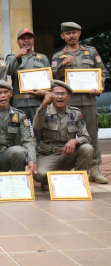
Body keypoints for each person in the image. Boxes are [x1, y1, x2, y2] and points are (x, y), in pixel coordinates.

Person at [52, 22, 108, 183]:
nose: (71, 35)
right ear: (62, 36)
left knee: (91, 133)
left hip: (89, 100)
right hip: (68, 101)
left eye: (74, 32)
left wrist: (99, 86)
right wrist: (62, 65)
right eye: (67, 33)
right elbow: (52, 77)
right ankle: (66, 167)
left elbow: (101, 71)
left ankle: (94, 168)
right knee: (65, 133)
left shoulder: (91, 52)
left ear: (79, 33)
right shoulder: (58, 56)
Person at [33, 80, 93, 190]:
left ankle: (79, 180)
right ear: (51, 95)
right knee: (40, 174)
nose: (60, 97)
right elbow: (36, 126)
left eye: (63, 94)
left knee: (87, 148)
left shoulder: (75, 113)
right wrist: (44, 104)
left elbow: (86, 137)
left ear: (69, 96)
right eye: (56, 93)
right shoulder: (44, 110)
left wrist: (74, 141)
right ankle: (50, 179)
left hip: (68, 154)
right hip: (48, 154)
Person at [6, 28, 50, 131]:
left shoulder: (42, 58)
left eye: (29, 38)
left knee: (41, 132)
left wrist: (44, 93)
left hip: (37, 103)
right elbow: (8, 72)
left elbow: (49, 81)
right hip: (19, 104)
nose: (26, 41)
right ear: (18, 42)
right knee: (19, 134)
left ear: (33, 40)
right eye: (23, 39)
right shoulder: (11, 58)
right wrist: (18, 56)